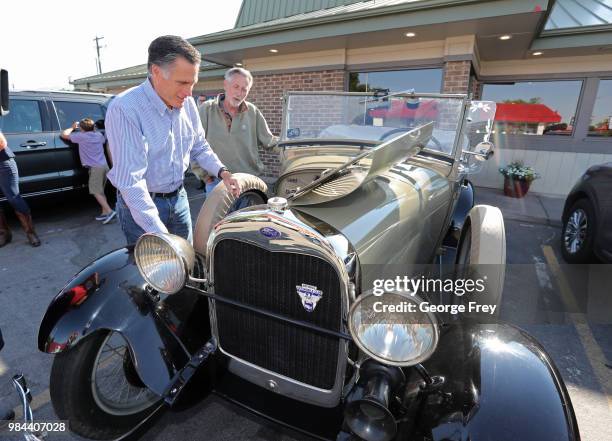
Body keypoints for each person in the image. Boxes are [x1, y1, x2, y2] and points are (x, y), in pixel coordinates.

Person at [105, 35, 240, 245]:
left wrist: (222, 172)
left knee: (186, 264)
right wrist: (162, 237)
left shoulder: (187, 103)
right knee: (155, 272)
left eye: (193, 83)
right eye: (183, 83)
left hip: (179, 199)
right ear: (156, 72)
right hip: (141, 206)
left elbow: (199, 145)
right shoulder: (126, 109)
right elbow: (130, 182)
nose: (189, 92)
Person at [192, 67, 279, 194]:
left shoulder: (252, 112)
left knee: (251, 215)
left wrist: (293, 146)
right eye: (236, 87)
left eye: (245, 89)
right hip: (217, 183)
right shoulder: (206, 110)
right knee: (220, 215)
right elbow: (194, 144)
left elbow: (270, 142)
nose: (240, 93)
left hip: (248, 182)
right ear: (225, 85)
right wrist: (205, 177)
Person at [60, 118, 115, 223]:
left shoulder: (81, 136)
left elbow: (64, 135)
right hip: (104, 166)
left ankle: (109, 211)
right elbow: (103, 140)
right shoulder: (99, 135)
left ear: (81, 128)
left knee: (95, 191)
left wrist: (72, 127)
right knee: (99, 190)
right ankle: (104, 213)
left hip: (95, 168)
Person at [0, 130, 41, 247]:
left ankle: (30, 233)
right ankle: (4, 234)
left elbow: (2, 143)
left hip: (3, 163)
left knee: (14, 198)